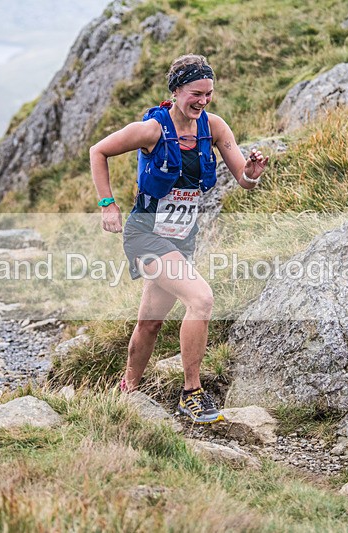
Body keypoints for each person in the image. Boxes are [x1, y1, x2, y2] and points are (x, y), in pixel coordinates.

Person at [89, 54, 268, 424]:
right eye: (196, 93)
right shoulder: (151, 130)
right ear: (175, 92)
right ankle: (192, 393)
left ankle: (127, 391)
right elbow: (99, 151)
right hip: (145, 235)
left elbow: (245, 182)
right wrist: (108, 204)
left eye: (209, 93)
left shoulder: (215, 128)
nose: (203, 101)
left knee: (151, 323)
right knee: (201, 299)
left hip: (182, 239)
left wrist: (252, 173)